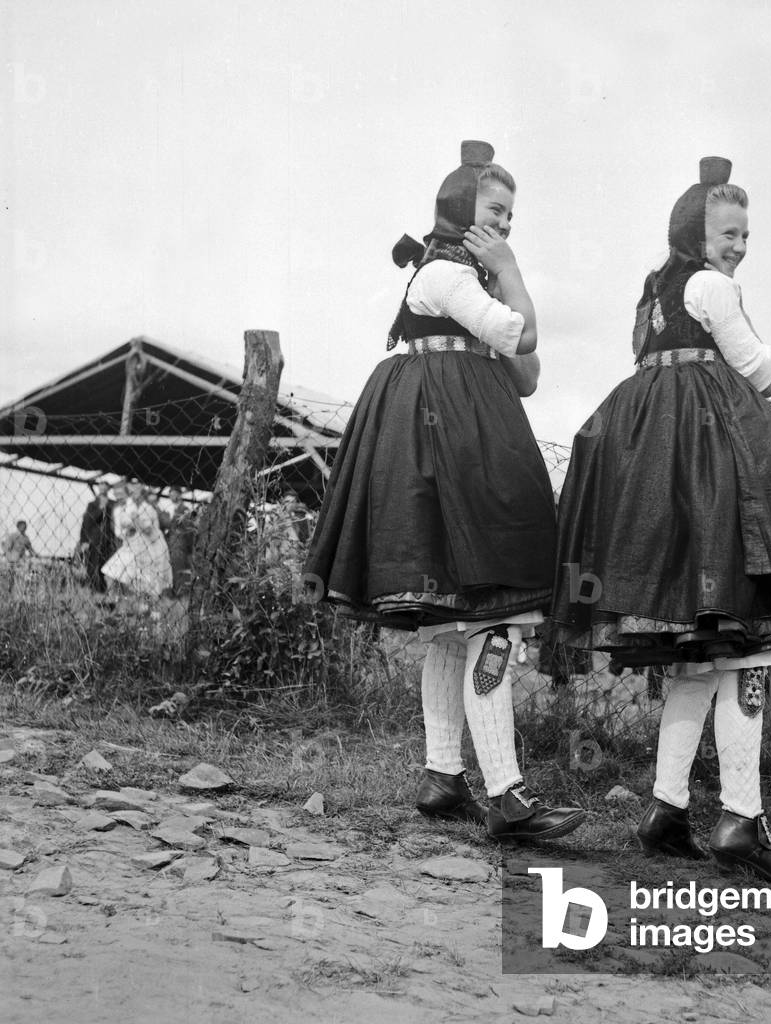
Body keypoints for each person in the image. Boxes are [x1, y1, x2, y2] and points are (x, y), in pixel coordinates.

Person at [551, 157, 771, 882]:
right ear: (697, 233)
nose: (739, 244)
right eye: (728, 231)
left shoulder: (655, 291)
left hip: (659, 474)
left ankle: (667, 807)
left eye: (745, 232)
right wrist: (756, 346)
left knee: (696, 658)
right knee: (744, 648)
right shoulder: (713, 286)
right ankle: (741, 817)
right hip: (715, 469)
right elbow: (763, 372)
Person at [303, 140, 584, 843]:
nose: (504, 227)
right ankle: (509, 796)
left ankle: (443, 777)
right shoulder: (442, 274)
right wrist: (511, 274)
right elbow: (519, 335)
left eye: (512, 218)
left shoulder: (471, 283)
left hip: (470, 433)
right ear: (460, 211)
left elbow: (528, 374)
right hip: (444, 447)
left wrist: (502, 292)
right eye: (494, 212)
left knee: (459, 625)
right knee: (485, 615)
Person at [101, 479, 173, 599]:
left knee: (147, 583)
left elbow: (149, 530)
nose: (132, 496)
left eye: (135, 492)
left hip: (151, 547)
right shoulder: (124, 509)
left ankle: (148, 609)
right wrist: (128, 530)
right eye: (130, 492)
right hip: (132, 546)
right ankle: (114, 601)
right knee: (111, 572)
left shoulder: (148, 508)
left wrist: (134, 521)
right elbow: (120, 529)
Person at [78, 483, 117, 592]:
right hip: (94, 540)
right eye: (101, 487)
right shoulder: (92, 505)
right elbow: (87, 522)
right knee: (93, 566)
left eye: (105, 487)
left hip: (109, 540)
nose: (102, 489)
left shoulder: (113, 504)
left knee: (107, 567)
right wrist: (84, 541)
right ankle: (94, 590)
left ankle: (105, 591)